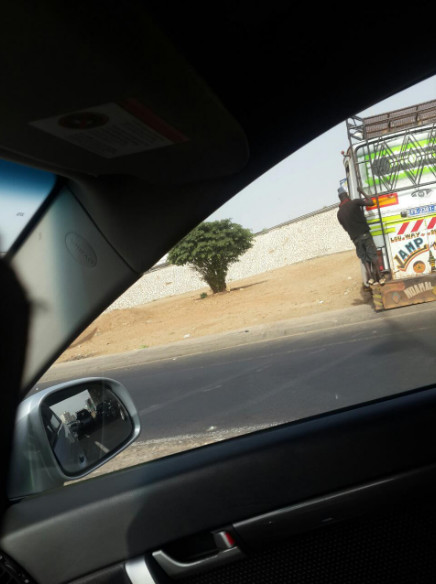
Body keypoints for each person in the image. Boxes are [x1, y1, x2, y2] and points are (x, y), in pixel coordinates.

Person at [337, 185, 385, 285]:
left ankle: (371, 278)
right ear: (346, 195)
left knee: (364, 258)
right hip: (365, 234)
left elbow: (345, 228)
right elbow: (371, 202)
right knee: (373, 255)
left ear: (339, 198)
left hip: (355, 239)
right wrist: (362, 191)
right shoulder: (355, 202)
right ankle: (380, 277)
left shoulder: (339, 213)